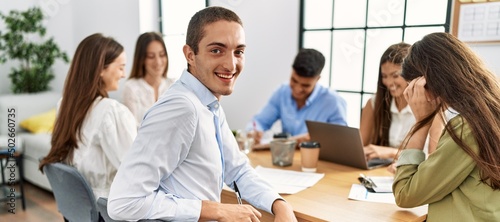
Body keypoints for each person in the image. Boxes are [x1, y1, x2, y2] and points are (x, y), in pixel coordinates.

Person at [107, 6, 297, 222]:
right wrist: (214, 209)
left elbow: (237, 170)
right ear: (190, 55)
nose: (231, 64)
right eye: (216, 50)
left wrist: (278, 204)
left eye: (239, 52)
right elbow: (123, 202)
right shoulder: (182, 108)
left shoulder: (208, 104)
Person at [393, 32, 500, 221]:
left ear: (426, 82)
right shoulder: (488, 113)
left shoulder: (466, 126)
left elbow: (405, 194)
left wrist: (421, 121)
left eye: (413, 87)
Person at [39, 33, 137, 200]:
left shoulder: (65, 104)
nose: (124, 74)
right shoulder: (111, 111)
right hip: (108, 208)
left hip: (81, 207)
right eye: (120, 67)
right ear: (100, 69)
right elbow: (136, 171)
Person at [248, 48, 347, 145]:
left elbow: (341, 140)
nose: (298, 89)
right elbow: (260, 121)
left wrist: (316, 138)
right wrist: (254, 132)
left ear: (318, 79)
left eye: (305, 85)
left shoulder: (333, 102)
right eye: (294, 80)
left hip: (316, 158)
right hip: (286, 157)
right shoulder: (282, 92)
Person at [360, 42, 413, 161]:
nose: (389, 82)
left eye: (395, 75)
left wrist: (391, 153)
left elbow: (432, 158)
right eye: (384, 76)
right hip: (381, 171)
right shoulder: (374, 103)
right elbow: (361, 147)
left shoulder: (427, 107)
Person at [123, 31, 176, 126]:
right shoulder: (131, 88)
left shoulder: (173, 85)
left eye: (162, 55)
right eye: (151, 56)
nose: (158, 62)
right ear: (142, 59)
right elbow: (132, 129)